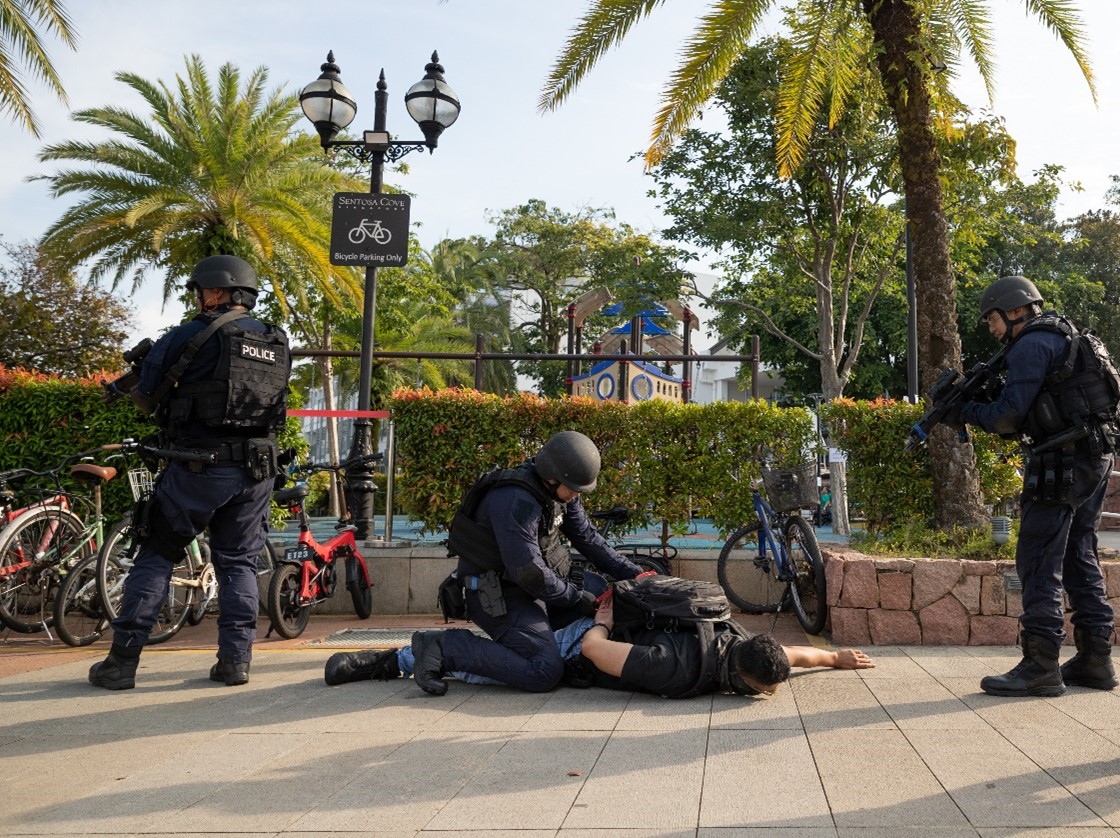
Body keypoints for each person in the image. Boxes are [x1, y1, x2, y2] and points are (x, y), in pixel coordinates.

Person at [90, 255, 291, 690]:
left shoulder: (189, 334)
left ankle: (121, 664)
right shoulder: (276, 340)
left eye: (201, 290)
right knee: (238, 561)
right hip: (257, 468)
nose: (199, 298)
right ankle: (235, 663)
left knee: (158, 552)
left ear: (217, 292)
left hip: (199, 467)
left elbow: (145, 399)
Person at [958, 276, 1120, 698]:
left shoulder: (1032, 344)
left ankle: (1041, 664)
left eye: (992, 319)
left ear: (1014, 310)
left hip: (1060, 462)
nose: (991, 328)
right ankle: (1095, 659)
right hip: (1094, 455)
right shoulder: (1064, 333)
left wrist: (965, 409)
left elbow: (1007, 417)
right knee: (1077, 552)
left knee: (1037, 558)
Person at [405, 431, 646, 696]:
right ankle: (442, 646)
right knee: (544, 671)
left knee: (609, 598)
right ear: (552, 477)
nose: (577, 496)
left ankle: (548, 643)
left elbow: (587, 538)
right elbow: (529, 572)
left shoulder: (560, 493)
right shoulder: (515, 501)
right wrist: (577, 599)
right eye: (574, 489)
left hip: (538, 589)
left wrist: (637, 576)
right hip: (501, 596)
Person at [323, 598, 875, 696]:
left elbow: (790, 658)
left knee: (490, 665)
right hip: (577, 639)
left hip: (593, 625)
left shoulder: (733, 638)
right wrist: (603, 623)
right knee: (503, 672)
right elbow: (593, 651)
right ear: (740, 680)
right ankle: (404, 656)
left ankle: (385, 660)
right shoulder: (675, 668)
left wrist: (834, 658)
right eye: (758, 693)